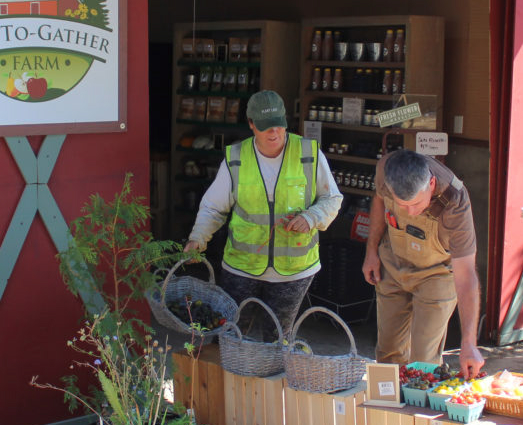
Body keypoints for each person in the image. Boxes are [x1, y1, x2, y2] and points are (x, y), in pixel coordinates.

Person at [183, 90, 343, 339]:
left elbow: (332, 198)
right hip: (241, 267)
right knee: (230, 333)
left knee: (278, 340)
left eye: (279, 125)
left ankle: (272, 376)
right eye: (266, 127)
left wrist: (311, 217)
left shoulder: (309, 153)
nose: (274, 133)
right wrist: (198, 238)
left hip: (295, 270)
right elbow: (214, 207)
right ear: (251, 125)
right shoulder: (236, 158)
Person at [362, 149, 484, 377]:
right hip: (393, 263)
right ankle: (388, 410)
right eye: (403, 205)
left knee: (423, 363)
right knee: (387, 355)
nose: (410, 212)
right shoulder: (385, 168)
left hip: (436, 275)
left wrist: (469, 342)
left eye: (417, 204)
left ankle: (417, 411)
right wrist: (371, 251)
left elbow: (466, 276)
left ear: (431, 183)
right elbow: (379, 201)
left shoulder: (455, 202)